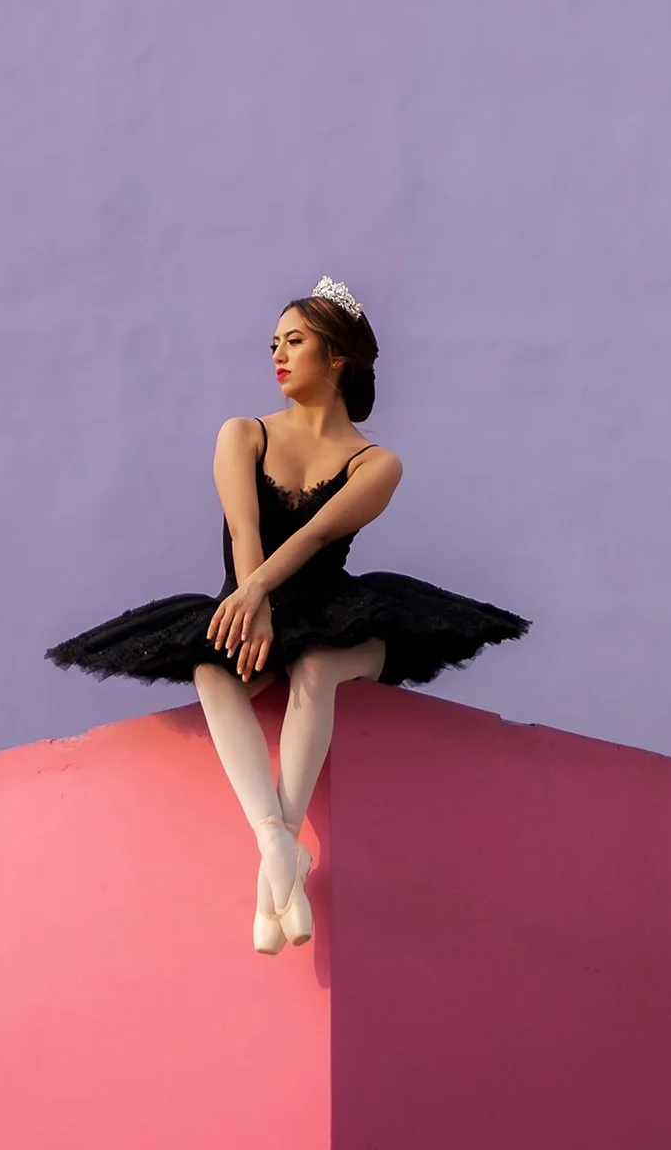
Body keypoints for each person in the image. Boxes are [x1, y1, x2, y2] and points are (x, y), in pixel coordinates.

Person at [45, 276, 532, 952]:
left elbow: (314, 538)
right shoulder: (241, 433)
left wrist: (261, 600)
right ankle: (280, 847)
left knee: (317, 663)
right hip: (245, 597)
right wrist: (251, 602)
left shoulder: (376, 462)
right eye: (273, 342)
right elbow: (247, 531)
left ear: (336, 356)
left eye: (295, 341)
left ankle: (279, 857)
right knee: (212, 670)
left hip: (338, 612)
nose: (277, 353)